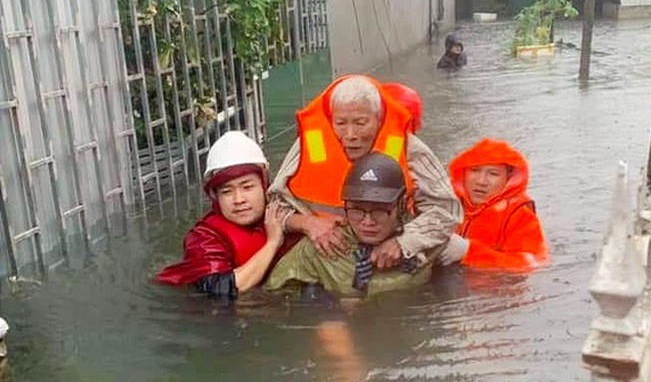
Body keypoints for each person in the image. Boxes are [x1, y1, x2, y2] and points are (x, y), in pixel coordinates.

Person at [269, 74, 461, 271]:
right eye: (341, 123)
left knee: (459, 248)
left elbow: (447, 211)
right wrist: (308, 224)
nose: (351, 135)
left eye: (360, 123)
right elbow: (273, 207)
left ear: (379, 121)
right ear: (330, 121)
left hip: (392, 240)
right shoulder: (309, 145)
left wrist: (405, 242)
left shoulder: (408, 147)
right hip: (328, 247)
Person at [266, 152, 441, 296]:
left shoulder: (428, 241)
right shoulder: (323, 248)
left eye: (379, 210)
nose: (367, 222)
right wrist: (321, 309)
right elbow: (273, 300)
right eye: (357, 210)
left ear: (401, 204)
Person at [155, 131, 295, 298]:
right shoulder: (203, 238)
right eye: (227, 192)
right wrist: (272, 244)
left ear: (264, 185)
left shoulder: (282, 213)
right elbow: (221, 291)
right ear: (215, 197)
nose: (239, 199)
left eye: (247, 187)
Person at [439, 138, 549, 270]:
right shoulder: (444, 202)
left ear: (508, 179)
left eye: (493, 174)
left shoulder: (519, 216)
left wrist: (469, 252)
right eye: (474, 170)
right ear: (463, 173)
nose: (481, 181)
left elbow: (535, 263)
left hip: (494, 288)